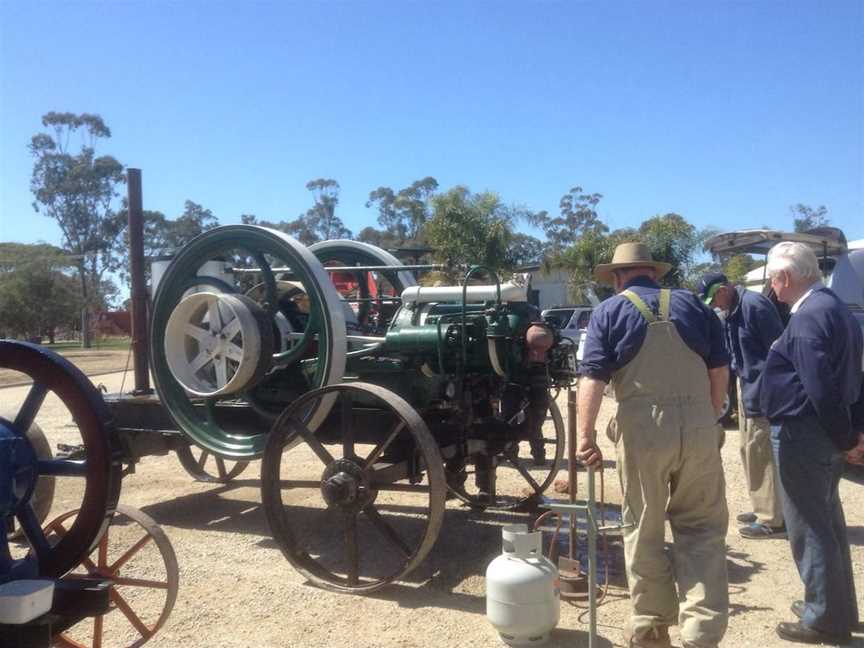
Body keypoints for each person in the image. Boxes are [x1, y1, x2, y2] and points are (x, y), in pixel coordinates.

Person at [577, 242, 730, 648]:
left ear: (617, 277)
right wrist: (708, 416)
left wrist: (585, 435)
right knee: (701, 529)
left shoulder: (610, 311)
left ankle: (650, 626)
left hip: (643, 430)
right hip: (699, 425)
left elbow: (592, 377)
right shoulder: (694, 305)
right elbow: (720, 368)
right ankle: (701, 633)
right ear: (654, 274)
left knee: (643, 526)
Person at [760, 241, 864, 645]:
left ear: (785, 277)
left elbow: (820, 385)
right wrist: (852, 432)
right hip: (821, 433)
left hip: (804, 434)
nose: (772, 287)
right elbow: (852, 376)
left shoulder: (808, 317)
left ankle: (822, 619)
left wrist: (845, 435)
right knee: (829, 523)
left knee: (810, 526)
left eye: (773, 279)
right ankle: (837, 608)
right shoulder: (835, 307)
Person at [698, 272, 786, 539]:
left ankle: (773, 521)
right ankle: (763, 507)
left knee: (762, 454)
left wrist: (767, 390)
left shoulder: (755, 306)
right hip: (746, 387)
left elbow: (779, 349)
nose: (715, 305)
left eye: (715, 298)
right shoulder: (731, 310)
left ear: (725, 288)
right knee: (748, 451)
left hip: (762, 389)